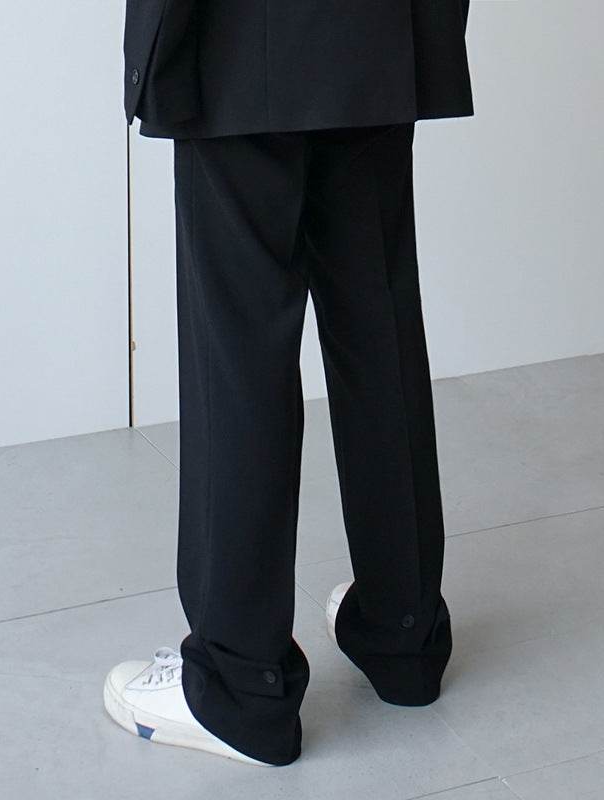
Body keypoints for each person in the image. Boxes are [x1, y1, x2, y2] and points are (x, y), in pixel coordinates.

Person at [103, 0, 474, 767]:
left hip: (235, 44)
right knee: (379, 330)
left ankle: (239, 685)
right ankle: (403, 635)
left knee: (237, 360)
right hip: (376, 37)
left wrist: (156, 58)